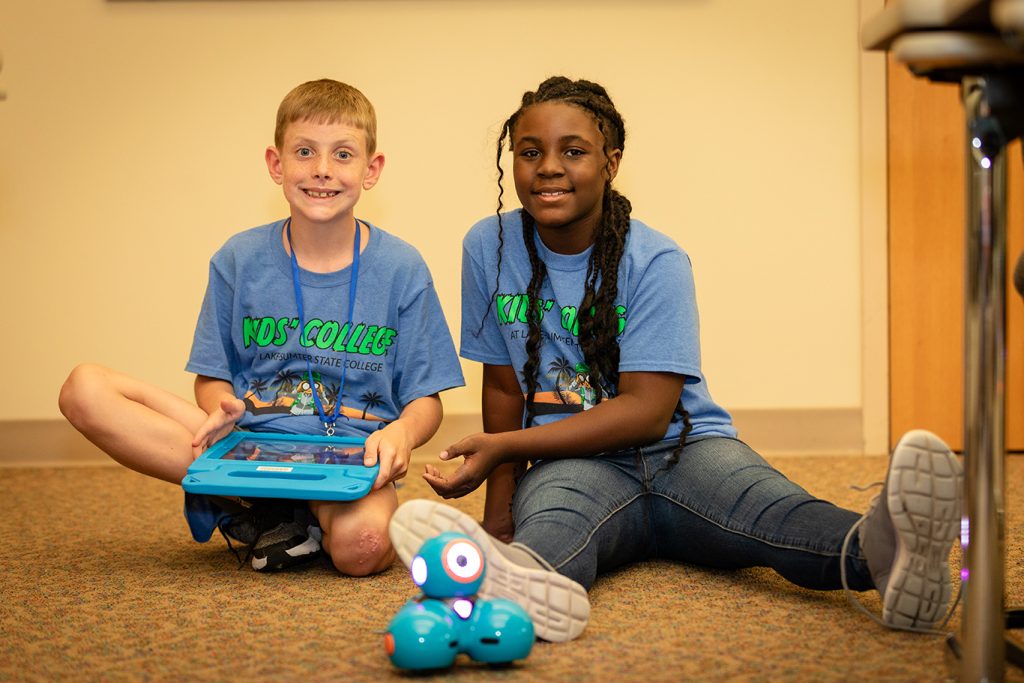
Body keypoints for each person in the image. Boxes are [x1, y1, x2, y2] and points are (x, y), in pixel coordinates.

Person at [387, 76, 963, 643]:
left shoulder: (656, 259)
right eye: (530, 152)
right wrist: (498, 515)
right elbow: (504, 386)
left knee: (775, 513)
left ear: (611, 163)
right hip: (570, 462)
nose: (549, 168)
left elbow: (647, 412)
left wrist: (506, 447)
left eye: (574, 151)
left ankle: (890, 550)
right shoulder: (489, 247)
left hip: (684, 451)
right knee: (553, 526)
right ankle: (509, 580)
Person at [59, 79, 464, 575]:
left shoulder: (402, 268)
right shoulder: (239, 259)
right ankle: (267, 509)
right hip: (249, 444)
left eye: (342, 154)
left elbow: (427, 400)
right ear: (276, 164)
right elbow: (212, 377)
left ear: (371, 169)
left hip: (348, 457)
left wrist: (402, 431)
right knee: (83, 389)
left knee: (363, 548)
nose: (322, 169)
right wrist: (220, 405)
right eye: (304, 152)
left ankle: (289, 516)